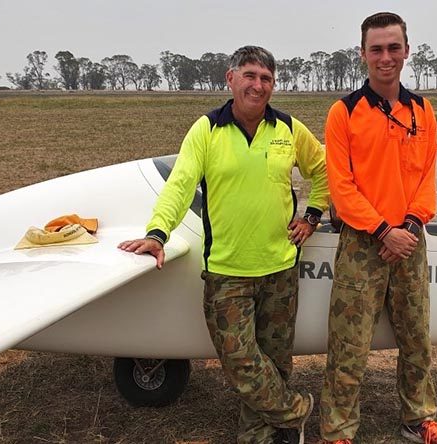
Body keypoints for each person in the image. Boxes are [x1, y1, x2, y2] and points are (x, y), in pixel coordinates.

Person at [118, 46, 328, 444]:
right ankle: (297, 409)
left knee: (275, 360)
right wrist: (157, 233)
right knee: (241, 362)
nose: (258, 85)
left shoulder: (288, 128)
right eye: (249, 75)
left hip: (280, 267)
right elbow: (179, 185)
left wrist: (312, 215)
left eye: (266, 78)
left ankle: (263, 434)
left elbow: (323, 170)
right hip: (227, 272)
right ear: (230, 79)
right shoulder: (207, 129)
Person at [319, 12, 437, 444]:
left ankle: (419, 420)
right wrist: (383, 231)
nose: (386, 57)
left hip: (410, 242)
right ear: (362, 54)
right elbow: (341, 188)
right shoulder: (343, 113)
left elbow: (427, 176)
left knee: (416, 336)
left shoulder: (423, 110)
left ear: (407, 51)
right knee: (349, 344)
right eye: (377, 49)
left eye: (393, 47)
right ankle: (338, 430)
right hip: (363, 243)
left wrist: (411, 226)